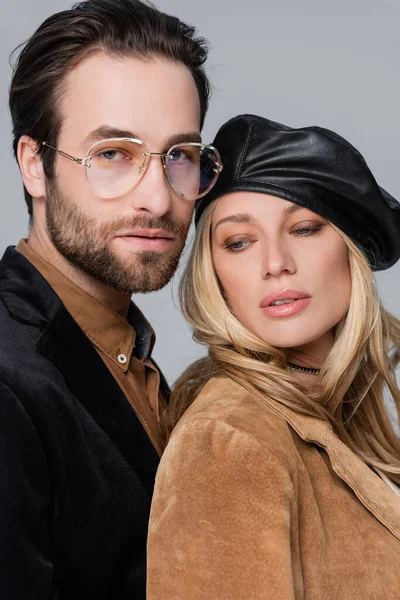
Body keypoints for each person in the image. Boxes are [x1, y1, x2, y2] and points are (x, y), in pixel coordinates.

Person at [0, 0, 223, 597]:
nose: (156, 196)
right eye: (112, 154)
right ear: (34, 165)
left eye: (180, 156)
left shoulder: (128, 350)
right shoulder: (9, 381)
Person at [147, 114, 400, 599]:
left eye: (304, 228)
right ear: (214, 273)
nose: (275, 263)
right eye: (239, 242)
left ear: (350, 251)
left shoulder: (337, 422)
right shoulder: (228, 441)